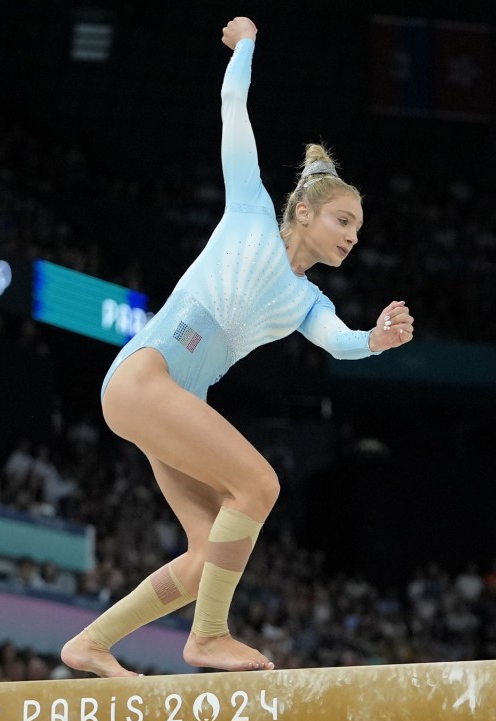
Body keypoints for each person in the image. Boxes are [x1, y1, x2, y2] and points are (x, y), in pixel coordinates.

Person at [61, 16, 414, 678]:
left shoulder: (311, 302)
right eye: (344, 220)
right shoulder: (250, 207)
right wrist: (247, 41)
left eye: (359, 229)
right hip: (145, 377)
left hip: (168, 398)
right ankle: (209, 637)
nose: (352, 236)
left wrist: (377, 339)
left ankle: (92, 642)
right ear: (303, 212)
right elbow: (233, 105)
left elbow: (340, 345)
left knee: (206, 555)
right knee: (258, 483)